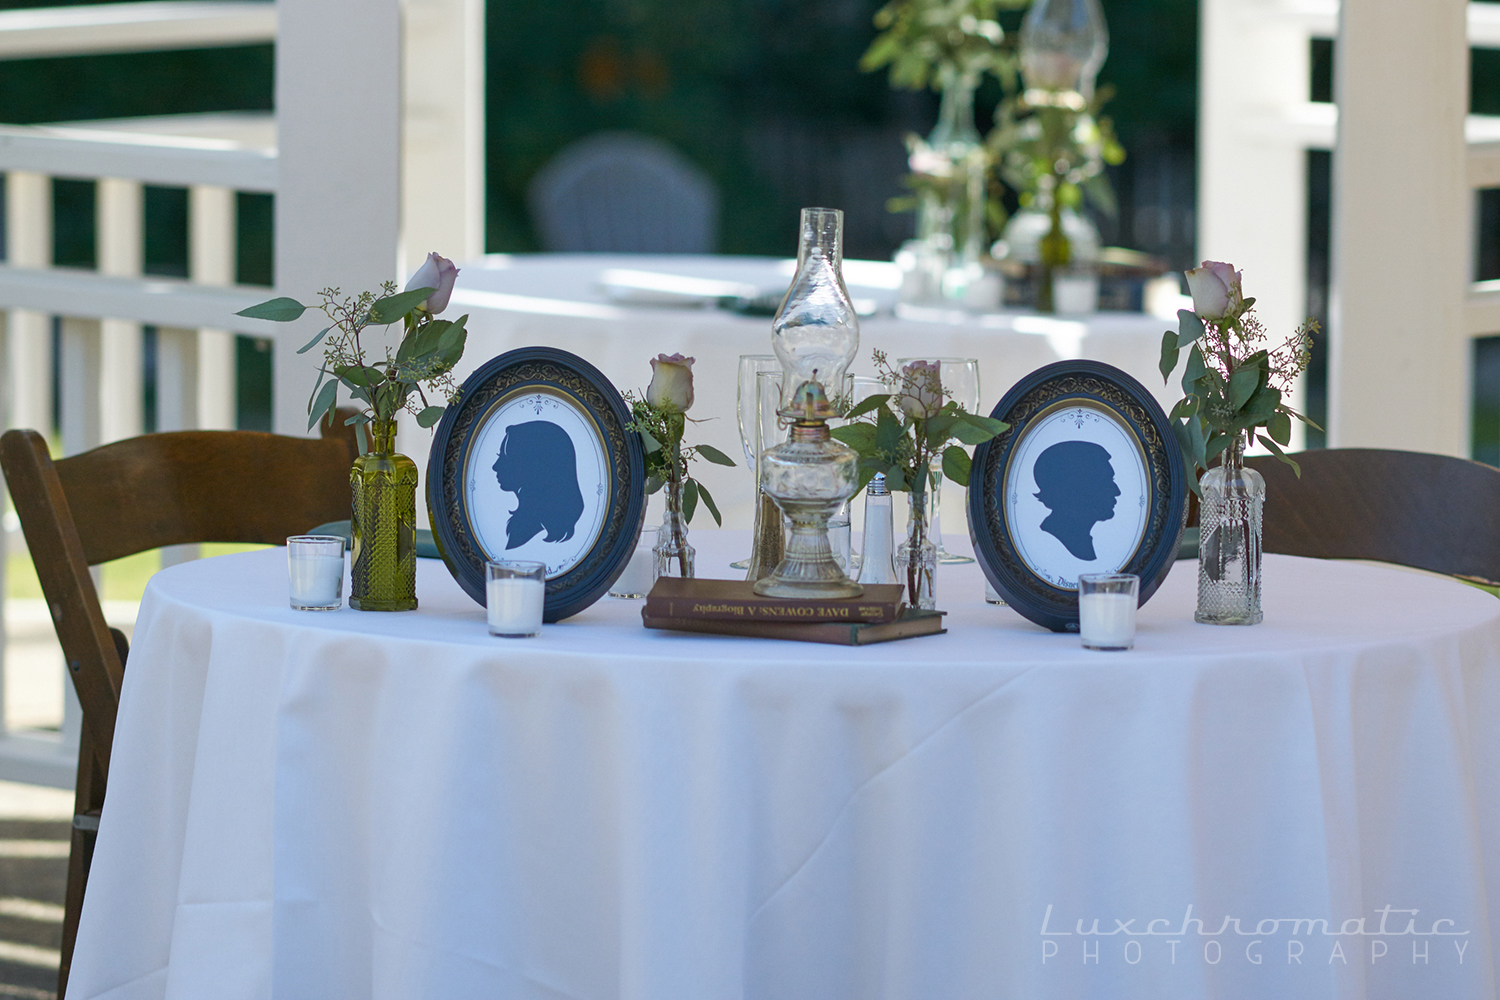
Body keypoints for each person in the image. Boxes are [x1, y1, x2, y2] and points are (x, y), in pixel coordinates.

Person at [491, 420, 585, 549]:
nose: (495, 466)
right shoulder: (520, 525)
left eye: (506, 457)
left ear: (532, 465)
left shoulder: (535, 529)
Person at [1032, 440, 1119, 561]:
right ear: (1074, 488)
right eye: (1105, 482)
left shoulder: (1081, 541)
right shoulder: (1049, 542)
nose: (1116, 491)